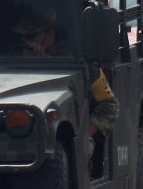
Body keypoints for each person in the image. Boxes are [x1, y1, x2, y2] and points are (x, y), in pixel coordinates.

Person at [11, 10, 119, 151]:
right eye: (22, 37)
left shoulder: (75, 60)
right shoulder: (10, 58)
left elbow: (110, 107)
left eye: (32, 36)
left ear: (49, 35)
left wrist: (86, 134)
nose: (26, 42)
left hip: (69, 135)